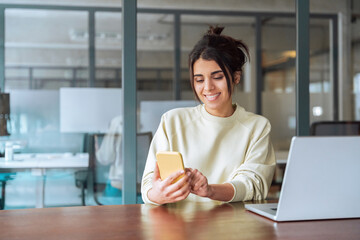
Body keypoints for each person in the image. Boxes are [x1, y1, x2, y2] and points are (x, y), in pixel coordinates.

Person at [141, 26, 276, 205]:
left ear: (236, 77)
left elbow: (253, 184)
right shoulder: (173, 121)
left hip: (234, 227)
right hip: (180, 228)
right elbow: (148, 185)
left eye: (217, 77)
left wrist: (210, 190)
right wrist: (158, 194)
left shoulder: (257, 127)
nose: (208, 87)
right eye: (199, 79)